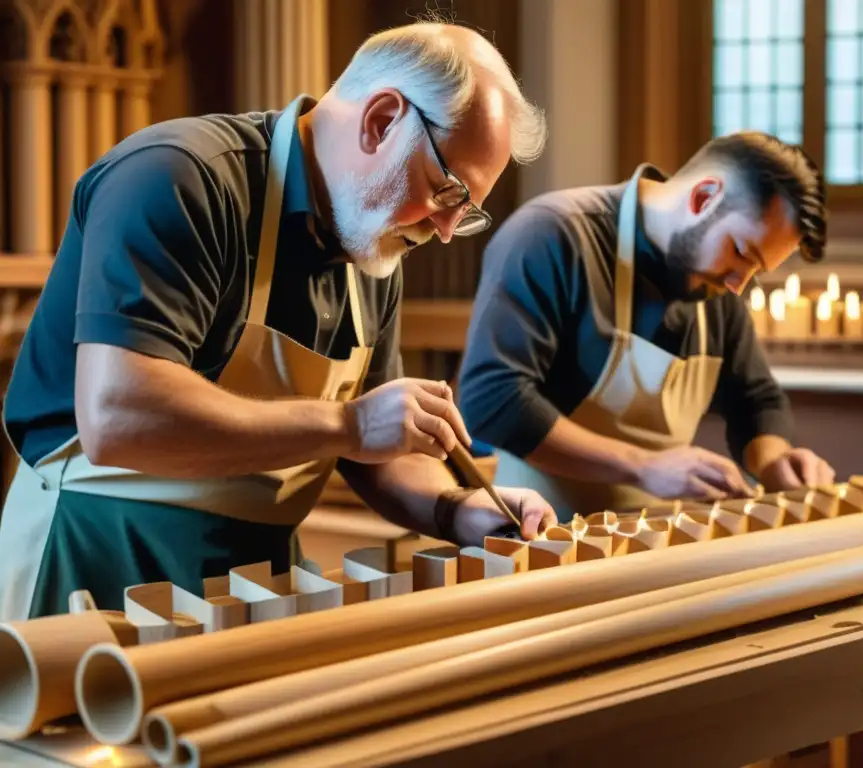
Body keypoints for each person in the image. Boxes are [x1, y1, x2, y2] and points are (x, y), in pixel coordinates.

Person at [0, 21, 558, 622]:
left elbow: (379, 448)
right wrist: (347, 423)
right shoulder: (180, 177)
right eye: (447, 191)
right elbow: (119, 415)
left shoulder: (374, 249)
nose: (446, 231)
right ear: (382, 120)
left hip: (252, 583)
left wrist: (454, 506)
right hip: (95, 560)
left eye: (465, 212)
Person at [457, 131, 836, 522]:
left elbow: (755, 400)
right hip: (540, 533)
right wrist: (643, 466)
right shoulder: (554, 233)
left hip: (651, 537)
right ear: (704, 198)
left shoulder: (719, 285)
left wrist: (774, 462)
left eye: (757, 270)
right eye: (741, 252)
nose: (739, 284)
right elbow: (493, 400)